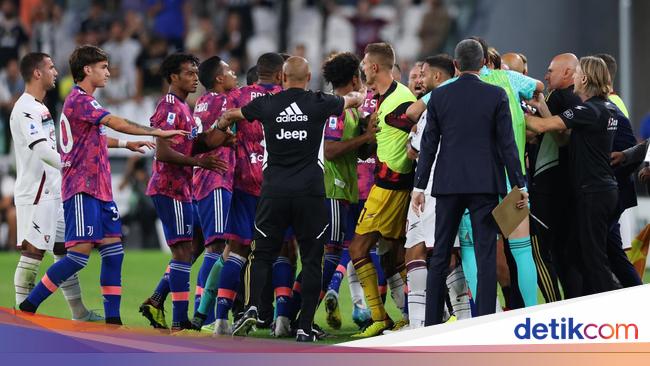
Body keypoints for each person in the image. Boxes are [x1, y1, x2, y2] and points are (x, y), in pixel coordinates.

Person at [18, 45, 186, 324]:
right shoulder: (80, 99)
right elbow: (114, 121)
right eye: (103, 67)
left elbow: (94, 136)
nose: (108, 72)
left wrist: (125, 144)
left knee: (114, 252)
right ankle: (28, 306)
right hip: (82, 188)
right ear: (87, 70)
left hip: (101, 189)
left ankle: (113, 322)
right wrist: (156, 131)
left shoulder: (83, 103)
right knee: (78, 257)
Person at [215, 56, 366, 342]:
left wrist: (223, 121)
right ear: (308, 77)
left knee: (262, 254)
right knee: (311, 260)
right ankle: (304, 326)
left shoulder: (267, 104)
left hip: (273, 192)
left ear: (283, 78)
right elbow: (351, 101)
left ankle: (254, 308)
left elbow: (236, 114)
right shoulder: (320, 102)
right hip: (310, 192)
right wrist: (360, 94)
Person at [411, 39, 527, 325]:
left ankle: (431, 325)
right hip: (485, 184)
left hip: (447, 184)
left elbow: (428, 146)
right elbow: (507, 145)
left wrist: (419, 186)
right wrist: (519, 184)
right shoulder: (496, 95)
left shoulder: (439, 97)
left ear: (455, 65)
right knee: (485, 253)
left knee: (439, 254)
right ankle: (485, 322)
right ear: (484, 64)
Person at [11, 52, 103, 322]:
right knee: (32, 254)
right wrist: (70, 165)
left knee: (64, 252)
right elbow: (40, 148)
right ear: (37, 73)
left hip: (55, 191)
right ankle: (22, 319)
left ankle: (79, 313)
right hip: (37, 194)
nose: (55, 71)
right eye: (51, 67)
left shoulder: (41, 106)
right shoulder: (25, 107)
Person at [142, 53, 229, 332]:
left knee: (188, 250)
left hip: (183, 189)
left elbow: (195, 143)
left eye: (195, 73)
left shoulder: (184, 107)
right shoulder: (169, 107)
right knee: (183, 253)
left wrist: (222, 134)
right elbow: (165, 151)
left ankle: (158, 301)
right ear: (173, 77)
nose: (195, 78)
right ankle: (180, 319)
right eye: (189, 73)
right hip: (170, 188)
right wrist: (198, 162)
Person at [525, 56, 621, 295]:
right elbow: (563, 137)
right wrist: (541, 107)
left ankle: (614, 312)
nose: (574, 79)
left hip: (593, 191)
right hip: (603, 189)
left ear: (585, 78)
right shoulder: (606, 107)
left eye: (577, 74)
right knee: (580, 255)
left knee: (593, 260)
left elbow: (541, 128)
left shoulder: (588, 110)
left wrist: (509, 107)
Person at [348, 42, 416, 338]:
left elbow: (414, 137)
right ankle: (411, 316)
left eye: (364, 64)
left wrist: (395, 176)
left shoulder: (400, 101)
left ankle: (379, 317)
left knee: (358, 249)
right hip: (394, 185)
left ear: (374, 67)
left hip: (390, 185)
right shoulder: (388, 97)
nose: (362, 69)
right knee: (394, 255)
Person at [214, 52, 284, 335]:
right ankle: (282, 319)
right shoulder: (288, 97)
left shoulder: (237, 96)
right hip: (278, 182)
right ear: (280, 74)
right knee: (283, 250)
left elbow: (219, 131)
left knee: (238, 250)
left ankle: (219, 319)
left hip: (245, 180)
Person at [404, 54, 470, 328]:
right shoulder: (451, 101)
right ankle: (418, 324)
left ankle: (464, 320)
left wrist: (413, 135)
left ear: (438, 77)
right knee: (414, 251)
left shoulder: (439, 104)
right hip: (428, 187)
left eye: (425, 74)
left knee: (445, 254)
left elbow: (414, 151)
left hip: (434, 188)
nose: (421, 79)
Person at [320, 52, 377, 332]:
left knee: (343, 248)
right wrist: (366, 137)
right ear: (355, 77)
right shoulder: (338, 108)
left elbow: (363, 148)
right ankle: (329, 293)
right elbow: (330, 151)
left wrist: (369, 134)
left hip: (347, 187)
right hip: (336, 188)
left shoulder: (355, 107)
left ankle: (355, 306)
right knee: (349, 245)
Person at [189, 56, 239, 332]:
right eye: (229, 71)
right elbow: (225, 135)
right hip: (217, 179)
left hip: (204, 180)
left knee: (202, 247)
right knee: (217, 247)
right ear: (219, 79)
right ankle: (206, 317)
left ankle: (197, 310)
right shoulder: (224, 102)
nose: (234, 74)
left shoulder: (202, 101)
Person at [528, 52, 580, 301]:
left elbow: (555, 135)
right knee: (568, 253)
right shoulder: (588, 102)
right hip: (576, 188)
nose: (545, 75)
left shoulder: (559, 97)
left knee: (541, 252)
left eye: (550, 71)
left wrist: (520, 115)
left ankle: (553, 307)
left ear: (568, 73)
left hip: (549, 189)